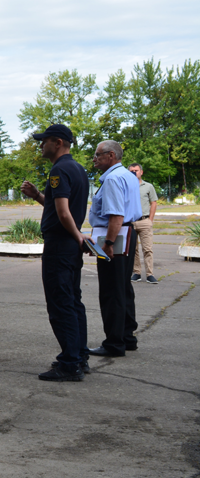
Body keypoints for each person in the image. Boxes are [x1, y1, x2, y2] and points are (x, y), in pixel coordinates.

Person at [19, 124, 91, 382]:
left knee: (61, 305)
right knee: (73, 302)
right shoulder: (78, 169)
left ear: (58, 142)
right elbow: (60, 206)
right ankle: (80, 356)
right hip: (70, 246)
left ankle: (69, 364)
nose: (41, 145)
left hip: (60, 246)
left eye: (44, 141)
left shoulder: (59, 169)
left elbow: (63, 213)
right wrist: (38, 194)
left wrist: (76, 236)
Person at [88, 140, 143, 359]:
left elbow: (116, 215)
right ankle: (127, 337)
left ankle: (114, 343)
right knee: (123, 288)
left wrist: (108, 244)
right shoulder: (129, 176)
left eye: (98, 154)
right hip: (128, 234)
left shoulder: (112, 178)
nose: (95, 159)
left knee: (112, 291)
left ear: (111, 156)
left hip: (116, 236)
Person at [128, 163, 159, 285]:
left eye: (136, 170)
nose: (134, 172)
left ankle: (150, 274)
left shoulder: (148, 186)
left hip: (144, 221)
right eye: (131, 171)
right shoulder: (127, 187)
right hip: (131, 222)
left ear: (141, 172)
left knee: (147, 249)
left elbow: (154, 202)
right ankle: (137, 273)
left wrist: (150, 220)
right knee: (133, 249)